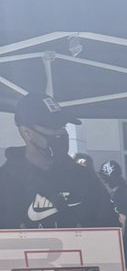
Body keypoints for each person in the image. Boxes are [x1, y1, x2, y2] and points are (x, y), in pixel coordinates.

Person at [0, 93, 116, 230]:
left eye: (63, 126)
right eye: (52, 127)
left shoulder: (83, 177)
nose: (61, 133)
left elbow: (111, 230)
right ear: (27, 133)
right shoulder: (5, 182)